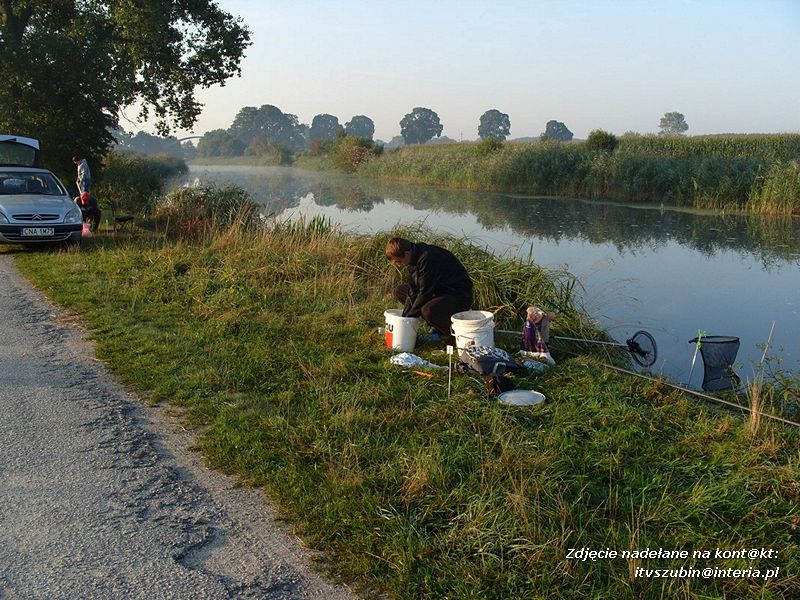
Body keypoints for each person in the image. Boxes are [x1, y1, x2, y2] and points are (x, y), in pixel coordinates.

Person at [386, 236, 473, 343]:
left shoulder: (428, 258)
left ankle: (455, 336)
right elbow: (413, 291)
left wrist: (409, 319)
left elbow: (425, 293)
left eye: (398, 261)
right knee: (401, 290)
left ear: (407, 253)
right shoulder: (412, 256)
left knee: (427, 310)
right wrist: (406, 317)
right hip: (438, 292)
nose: (398, 265)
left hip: (458, 295)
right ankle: (437, 327)